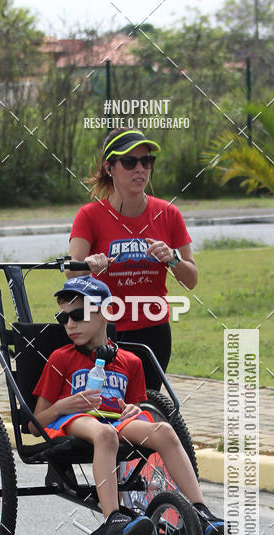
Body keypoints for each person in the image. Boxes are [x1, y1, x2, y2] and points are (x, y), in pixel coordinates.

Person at [31, 276, 224, 535]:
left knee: (165, 432)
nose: (70, 324)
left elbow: (134, 405)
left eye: (78, 315)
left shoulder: (130, 362)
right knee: (105, 433)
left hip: (115, 420)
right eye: (63, 318)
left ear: (106, 313)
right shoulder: (61, 359)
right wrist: (64, 405)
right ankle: (113, 520)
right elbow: (34, 423)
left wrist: (136, 409)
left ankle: (201, 513)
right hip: (73, 421)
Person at [68, 128, 198, 391]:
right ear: (109, 167)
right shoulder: (90, 215)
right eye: (130, 162)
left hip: (154, 331)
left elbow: (191, 280)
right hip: (106, 332)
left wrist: (173, 259)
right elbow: (72, 274)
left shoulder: (168, 213)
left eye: (146, 162)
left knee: (147, 407)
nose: (140, 169)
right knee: (111, 409)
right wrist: (90, 265)